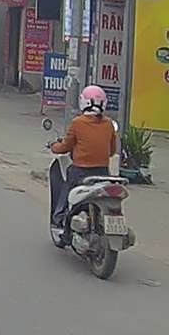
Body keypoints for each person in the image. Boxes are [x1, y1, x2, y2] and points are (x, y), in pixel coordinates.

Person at [49, 85, 119, 241]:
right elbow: (112, 151)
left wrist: (53, 146)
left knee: (66, 190)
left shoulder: (78, 123)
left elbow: (65, 147)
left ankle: (59, 219)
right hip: (103, 173)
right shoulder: (109, 124)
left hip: (81, 172)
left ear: (83, 102)